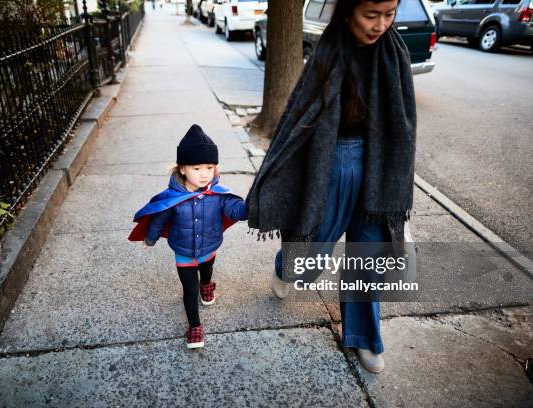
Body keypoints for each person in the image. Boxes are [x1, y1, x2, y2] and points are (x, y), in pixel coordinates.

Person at [246, 0, 416, 373]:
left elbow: (404, 124)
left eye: (389, 15)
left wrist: (398, 182)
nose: (380, 25)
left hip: (378, 166)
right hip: (332, 164)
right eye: (371, 15)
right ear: (347, 12)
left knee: (367, 257)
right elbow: (298, 117)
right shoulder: (327, 53)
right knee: (311, 253)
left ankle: (363, 338)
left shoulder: (394, 53)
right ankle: (285, 267)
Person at [129, 124, 248, 349]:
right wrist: (150, 239)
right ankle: (195, 326)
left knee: (206, 271)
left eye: (209, 167)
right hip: (183, 252)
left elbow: (236, 210)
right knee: (189, 290)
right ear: (182, 169)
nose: (204, 174)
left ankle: (207, 284)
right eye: (197, 168)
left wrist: (253, 206)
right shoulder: (172, 197)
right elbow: (159, 218)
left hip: (210, 246)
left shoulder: (219, 194)